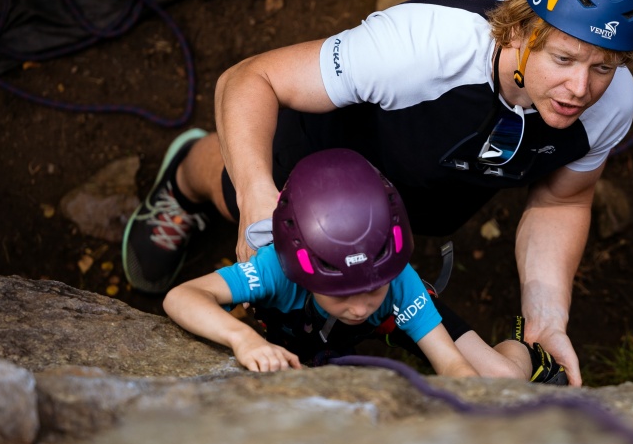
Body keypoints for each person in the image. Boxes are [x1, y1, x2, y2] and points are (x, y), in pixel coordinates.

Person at [125, 0, 633, 386]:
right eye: (563, 58)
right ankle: (184, 180)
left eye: (603, 66)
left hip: (398, 230)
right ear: (520, 26)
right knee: (225, 180)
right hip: (316, 172)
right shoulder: (419, 49)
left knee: (464, 362)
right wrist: (255, 192)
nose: (580, 89)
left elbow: (563, 201)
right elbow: (249, 80)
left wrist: (546, 319)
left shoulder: (609, 108)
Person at [163, 148, 563, 382]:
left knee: (504, 379)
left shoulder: (399, 282)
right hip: (316, 323)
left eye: (370, 288)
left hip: (396, 310)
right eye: (340, 293)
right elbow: (183, 297)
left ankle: (528, 352)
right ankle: (187, 171)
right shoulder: (276, 268)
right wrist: (243, 338)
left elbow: (453, 365)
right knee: (227, 190)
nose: (358, 307)